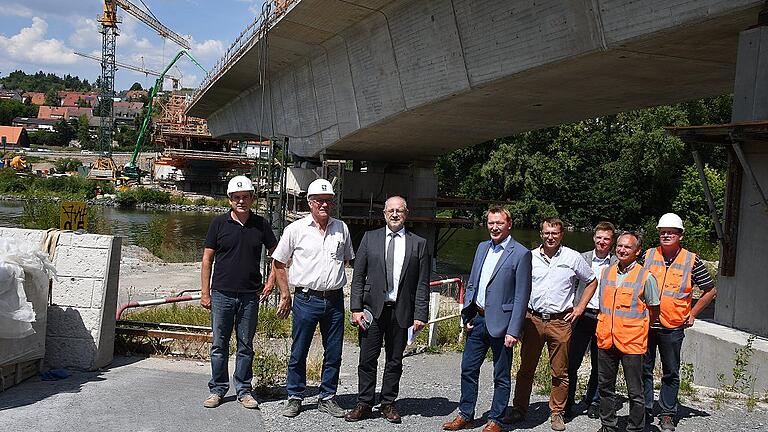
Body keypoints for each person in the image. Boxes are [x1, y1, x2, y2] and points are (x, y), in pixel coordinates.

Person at [200, 175, 287, 409]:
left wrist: (271, 283)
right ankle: (218, 389)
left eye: (245, 197)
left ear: (252, 199)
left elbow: (277, 256)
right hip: (221, 294)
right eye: (237, 197)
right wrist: (205, 292)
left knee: (245, 345)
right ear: (230, 199)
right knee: (219, 344)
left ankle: (244, 390)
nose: (241, 201)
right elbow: (207, 259)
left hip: (250, 296)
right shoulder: (218, 224)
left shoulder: (261, 224)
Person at [442, 206, 532, 432]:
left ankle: (496, 420)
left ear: (509, 224)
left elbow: (522, 296)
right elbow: (473, 282)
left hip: (502, 325)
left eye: (499, 223)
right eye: (491, 223)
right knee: (468, 369)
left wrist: (514, 330)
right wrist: (467, 313)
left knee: (501, 375)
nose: (494, 227)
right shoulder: (482, 247)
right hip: (478, 319)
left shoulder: (521, 253)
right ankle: (466, 414)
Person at [272, 178, 355, 418]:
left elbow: (347, 258)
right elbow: (278, 262)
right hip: (306, 300)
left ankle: (327, 397)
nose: (324, 205)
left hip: (335, 300)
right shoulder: (295, 230)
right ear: (310, 202)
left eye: (328, 201)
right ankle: (295, 396)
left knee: (334, 351)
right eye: (319, 200)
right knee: (299, 350)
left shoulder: (342, 228)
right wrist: (285, 294)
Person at [344, 196, 430, 424]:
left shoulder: (418, 243)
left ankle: (388, 403)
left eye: (399, 211)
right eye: (390, 210)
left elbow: (422, 283)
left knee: (394, 360)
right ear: (384, 214)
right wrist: (355, 308)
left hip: (401, 311)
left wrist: (421, 314)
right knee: (367, 359)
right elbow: (358, 277)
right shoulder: (370, 239)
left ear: (406, 214)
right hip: (372, 310)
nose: (394, 214)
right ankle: (364, 403)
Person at [508, 217, 597, 431]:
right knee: (526, 368)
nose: (550, 237)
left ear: (561, 235)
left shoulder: (572, 257)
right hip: (533, 319)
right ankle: (520, 408)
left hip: (560, 322)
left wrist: (579, 308)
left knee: (560, 371)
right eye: (547, 233)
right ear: (541, 234)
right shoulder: (529, 257)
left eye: (554, 233)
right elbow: (518, 286)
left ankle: (557, 412)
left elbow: (592, 281)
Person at [642, 213, 717, 431]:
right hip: (646, 323)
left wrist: (693, 313)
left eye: (671, 232)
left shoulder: (691, 260)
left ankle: (667, 413)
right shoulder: (647, 255)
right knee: (643, 369)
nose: (666, 235)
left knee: (671, 371)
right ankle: (645, 410)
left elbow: (710, 290)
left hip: (673, 325)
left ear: (680, 235)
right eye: (663, 231)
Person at [595, 231, 660, 432]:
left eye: (628, 247)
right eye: (620, 246)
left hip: (632, 343)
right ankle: (608, 425)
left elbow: (654, 310)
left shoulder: (645, 277)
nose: (622, 250)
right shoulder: (606, 272)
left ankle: (635, 428)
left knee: (635, 392)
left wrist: (637, 328)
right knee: (605, 387)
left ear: (638, 251)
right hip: (606, 339)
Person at [566, 221, 617, 419]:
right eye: (599, 237)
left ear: (612, 241)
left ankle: (594, 401)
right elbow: (571, 284)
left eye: (607, 239)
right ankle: (568, 401)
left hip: (604, 316)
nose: (602, 242)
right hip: (582, 315)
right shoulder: (582, 258)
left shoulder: (616, 262)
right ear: (593, 238)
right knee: (572, 361)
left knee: (599, 363)